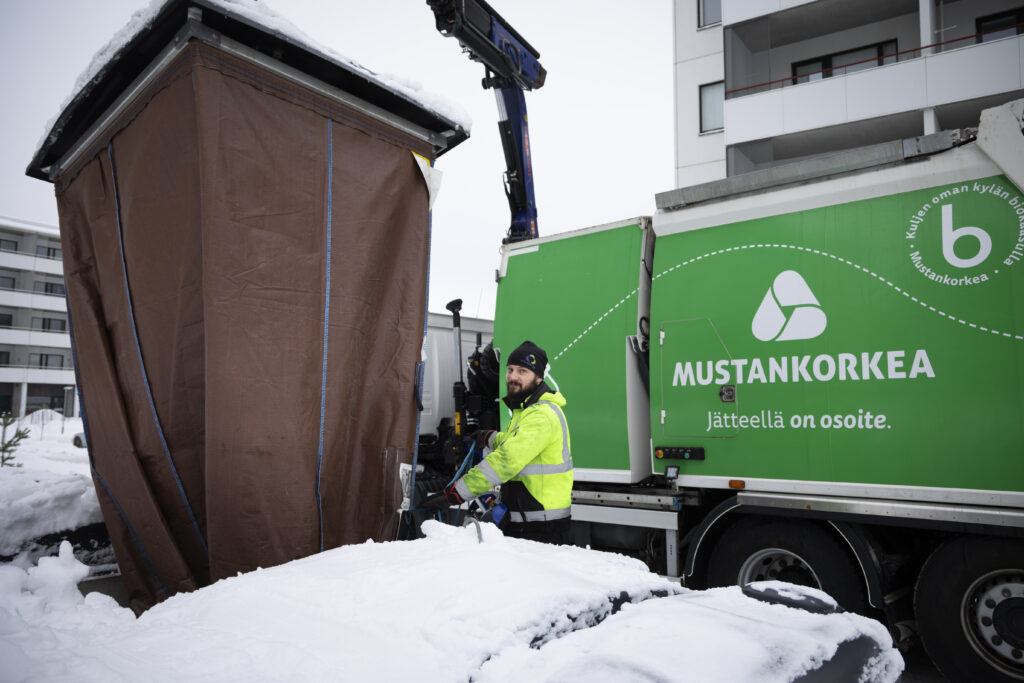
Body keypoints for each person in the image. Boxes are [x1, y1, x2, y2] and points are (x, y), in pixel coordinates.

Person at [436, 340, 573, 544]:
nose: (513, 377)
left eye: (522, 371)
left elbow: (507, 459)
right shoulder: (525, 411)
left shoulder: (542, 415)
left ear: (539, 377)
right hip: (528, 521)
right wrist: (488, 437)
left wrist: (458, 492)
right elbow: (513, 443)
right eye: (510, 369)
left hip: (541, 527)